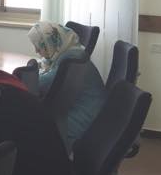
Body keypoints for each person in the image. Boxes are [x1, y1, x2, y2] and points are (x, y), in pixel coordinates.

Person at [29, 21, 106, 150]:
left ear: (50, 43)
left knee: (30, 125)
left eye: (39, 46)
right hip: (88, 112)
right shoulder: (72, 51)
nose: (36, 50)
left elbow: (39, 84)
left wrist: (30, 70)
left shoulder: (71, 60)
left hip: (82, 120)